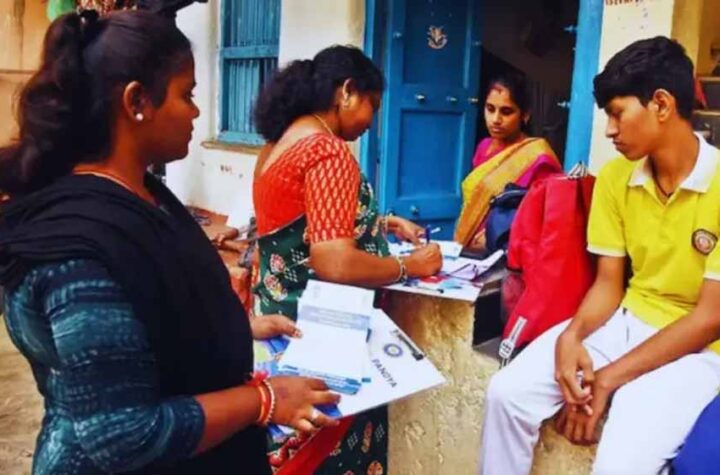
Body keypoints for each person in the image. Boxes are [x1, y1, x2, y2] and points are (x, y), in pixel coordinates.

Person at [0, 10, 339, 474]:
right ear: (137, 101)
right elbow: (123, 433)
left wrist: (234, 328)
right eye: (187, 95)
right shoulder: (77, 251)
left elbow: (156, 309)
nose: (196, 112)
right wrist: (266, 399)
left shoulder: (144, 194)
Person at [479, 36, 720, 475]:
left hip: (702, 350)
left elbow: (709, 318)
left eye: (617, 113)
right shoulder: (615, 178)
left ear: (661, 104)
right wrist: (572, 337)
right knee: (507, 394)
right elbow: (609, 284)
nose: (609, 130)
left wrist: (609, 378)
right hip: (626, 321)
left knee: (624, 447)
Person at [251, 45, 443, 473]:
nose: (373, 120)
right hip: (324, 339)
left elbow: (300, 223)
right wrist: (411, 266)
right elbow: (334, 262)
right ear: (347, 91)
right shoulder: (328, 152)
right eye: (372, 105)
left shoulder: (278, 144)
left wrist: (381, 223)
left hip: (275, 327)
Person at [455, 72, 561, 251]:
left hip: (506, 252)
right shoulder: (483, 147)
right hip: (469, 248)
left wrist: (494, 235)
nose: (495, 119)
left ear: (525, 115)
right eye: (490, 109)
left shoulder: (538, 158)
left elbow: (544, 219)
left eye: (506, 112)